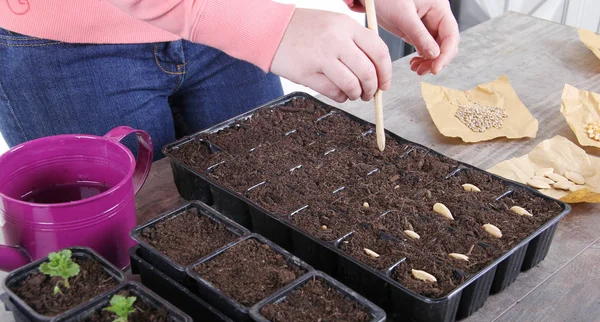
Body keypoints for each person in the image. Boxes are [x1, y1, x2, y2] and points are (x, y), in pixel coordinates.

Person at [0, 0, 459, 158]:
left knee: (271, 195)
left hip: (228, 33)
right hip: (61, 50)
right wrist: (268, 30)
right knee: (118, 260)